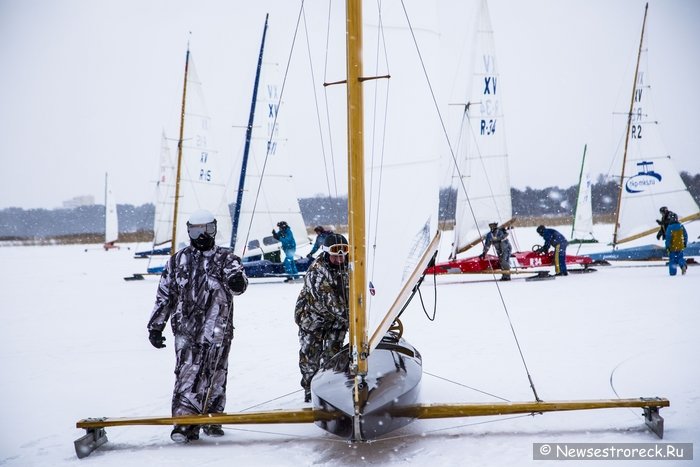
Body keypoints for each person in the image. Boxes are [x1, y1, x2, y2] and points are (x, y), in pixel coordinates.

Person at [147, 209, 248, 443]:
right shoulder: (178, 261)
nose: (201, 237)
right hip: (186, 329)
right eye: (195, 231)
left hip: (218, 330)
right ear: (189, 231)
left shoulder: (226, 258)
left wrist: (236, 280)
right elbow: (165, 295)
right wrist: (156, 326)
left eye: (207, 231)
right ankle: (185, 423)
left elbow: (238, 285)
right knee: (187, 373)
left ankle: (213, 417)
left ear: (214, 229)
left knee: (216, 373)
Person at [294, 233, 350, 402]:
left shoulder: (352, 267)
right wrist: (354, 321)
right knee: (311, 357)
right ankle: (310, 392)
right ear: (326, 252)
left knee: (332, 356)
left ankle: (329, 390)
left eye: (344, 251)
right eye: (335, 252)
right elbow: (331, 304)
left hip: (337, 322)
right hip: (313, 321)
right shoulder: (316, 271)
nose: (340, 257)